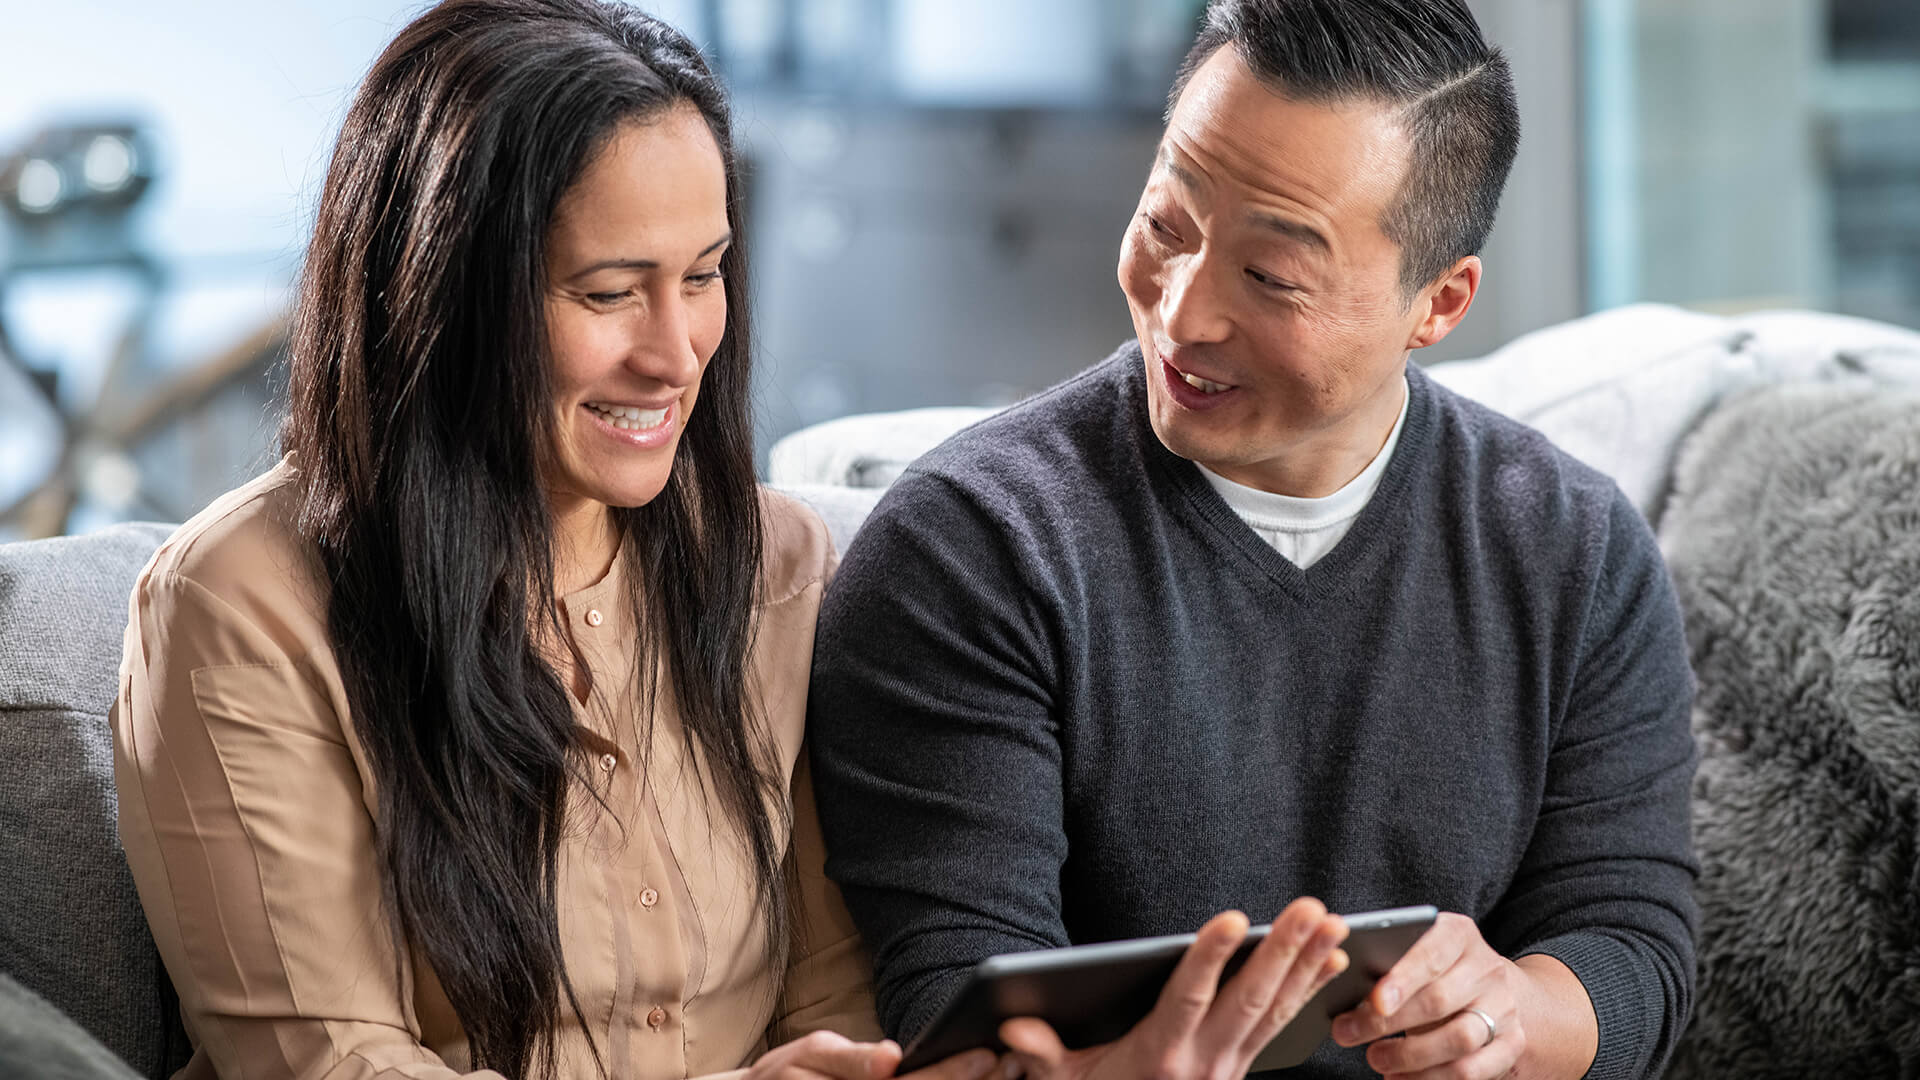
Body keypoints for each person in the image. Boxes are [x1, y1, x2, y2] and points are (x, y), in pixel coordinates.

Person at [807, 2, 1699, 1079]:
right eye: (1167, 226)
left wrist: (1510, 1010)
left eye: (1272, 278)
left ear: (1440, 302)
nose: (1183, 315)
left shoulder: (1574, 550)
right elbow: (959, 992)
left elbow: (1633, 946)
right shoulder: (974, 549)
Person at [110, 4, 1001, 1080]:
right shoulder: (239, 607)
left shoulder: (776, 570)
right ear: (438, 296)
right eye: (611, 293)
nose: (676, 354)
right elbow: (332, 1064)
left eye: (706, 275)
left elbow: (839, 1004)